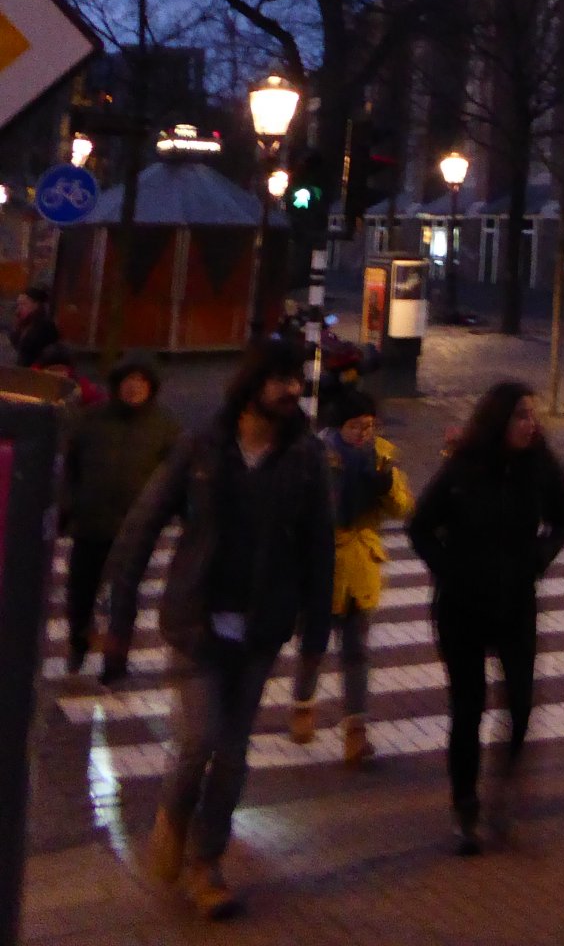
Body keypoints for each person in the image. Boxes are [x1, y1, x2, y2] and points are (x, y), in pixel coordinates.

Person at [103, 339, 333, 921]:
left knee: (232, 753)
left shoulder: (304, 459)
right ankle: (171, 820)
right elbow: (144, 522)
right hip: (196, 622)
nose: (293, 390)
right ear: (253, 385)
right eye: (282, 379)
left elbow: (318, 554)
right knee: (200, 737)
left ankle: (207, 865)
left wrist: (310, 657)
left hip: (260, 629)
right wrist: (120, 618)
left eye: (297, 380)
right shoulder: (202, 447)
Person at [408, 382, 564, 853]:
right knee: (468, 707)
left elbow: (563, 519)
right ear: (499, 420)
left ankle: (503, 786)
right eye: (521, 416)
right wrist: (449, 570)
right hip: (462, 607)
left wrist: (539, 558)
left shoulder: (540, 467)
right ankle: (465, 807)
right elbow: (419, 526)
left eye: (532, 416)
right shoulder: (463, 468)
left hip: (515, 602)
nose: (530, 424)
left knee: (520, 702)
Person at [290, 388, 412, 766]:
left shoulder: (381, 458)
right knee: (312, 647)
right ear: (338, 426)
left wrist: (386, 483)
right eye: (356, 426)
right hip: (319, 566)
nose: (364, 433)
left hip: (359, 566)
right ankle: (302, 705)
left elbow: (404, 508)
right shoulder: (315, 457)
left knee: (356, 651)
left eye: (369, 426)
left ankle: (355, 733)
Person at [60, 352, 179, 673]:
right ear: (117, 384)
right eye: (129, 380)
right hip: (90, 523)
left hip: (134, 530)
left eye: (142, 381)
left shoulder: (165, 427)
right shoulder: (90, 420)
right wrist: (68, 504)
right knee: (81, 591)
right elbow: (68, 466)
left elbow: (174, 477)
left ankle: (115, 660)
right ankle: (78, 643)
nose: (134, 387)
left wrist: (168, 514)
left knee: (123, 597)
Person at [8, 283, 59, 367]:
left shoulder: (46, 327)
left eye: (23, 304)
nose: (18, 309)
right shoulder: (22, 324)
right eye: (18, 304)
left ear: (36, 305)